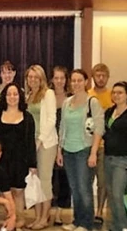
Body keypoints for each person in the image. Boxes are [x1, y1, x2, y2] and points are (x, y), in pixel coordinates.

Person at [57, 69, 104, 231]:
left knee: (84, 188)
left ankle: (86, 223)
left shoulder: (93, 102)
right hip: (68, 151)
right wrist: (59, 151)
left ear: (85, 82)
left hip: (84, 150)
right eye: (73, 80)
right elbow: (62, 127)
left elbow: (99, 129)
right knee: (75, 188)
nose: (76, 84)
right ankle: (77, 220)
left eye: (79, 80)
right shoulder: (66, 102)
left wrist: (93, 153)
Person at [0, 83, 36, 228]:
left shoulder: (27, 117)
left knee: (18, 191)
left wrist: (33, 164)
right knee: (5, 191)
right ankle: (9, 218)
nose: (12, 97)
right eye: (9, 94)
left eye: (15, 94)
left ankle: (20, 218)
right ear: (4, 96)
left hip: (20, 160)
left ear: (20, 96)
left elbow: (30, 142)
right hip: (1, 160)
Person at [25, 64, 58, 230]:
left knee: (45, 181)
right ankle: (37, 217)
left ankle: (45, 217)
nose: (32, 80)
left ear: (42, 78)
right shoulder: (28, 96)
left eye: (36, 77)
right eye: (30, 77)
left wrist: (40, 140)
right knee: (35, 182)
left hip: (46, 144)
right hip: (31, 144)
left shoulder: (48, 94)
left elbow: (52, 120)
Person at [87, 63, 113, 227]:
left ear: (107, 77)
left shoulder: (113, 96)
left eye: (104, 75)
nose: (101, 78)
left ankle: (99, 212)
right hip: (87, 145)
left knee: (102, 181)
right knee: (86, 181)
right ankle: (88, 211)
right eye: (98, 75)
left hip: (105, 146)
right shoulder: (87, 95)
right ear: (93, 77)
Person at [103, 81, 127, 231]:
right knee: (111, 195)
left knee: (118, 194)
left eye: (120, 92)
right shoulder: (109, 112)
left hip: (123, 160)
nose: (116, 95)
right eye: (114, 92)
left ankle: (123, 226)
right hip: (108, 158)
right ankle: (116, 225)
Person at [50, 66, 71, 226]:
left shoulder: (71, 98)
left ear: (66, 79)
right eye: (56, 78)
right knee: (50, 180)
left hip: (67, 143)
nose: (59, 81)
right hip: (50, 142)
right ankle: (50, 212)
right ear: (52, 79)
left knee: (63, 180)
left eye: (62, 78)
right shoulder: (47, 96)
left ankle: (59, 213)